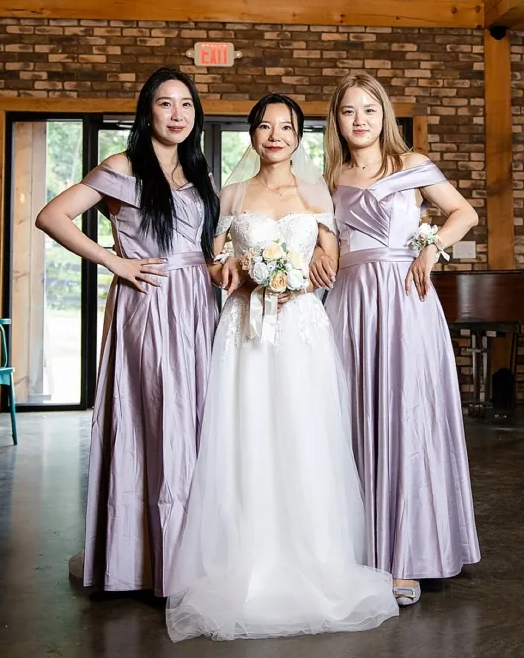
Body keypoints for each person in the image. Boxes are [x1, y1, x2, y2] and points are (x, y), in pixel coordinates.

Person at [166, 93, 398, 641]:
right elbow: (212, 258)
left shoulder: (317, 191)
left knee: (303, 433)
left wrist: (306, 269)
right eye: (266, 127)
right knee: (245, 434)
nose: (276, 136)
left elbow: (332, 260)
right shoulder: (230, 193)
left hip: (300, 330)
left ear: (298, 136)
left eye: (287, 127)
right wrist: (234, 269)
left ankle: (312, 555)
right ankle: (246, 556)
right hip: (244, 329)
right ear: (252, 134)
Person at [35, 68, 219, 596]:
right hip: (150, 303)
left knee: (198, 423)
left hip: (200, 305)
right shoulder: (122, 167)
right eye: (165, 103)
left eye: (186, 104)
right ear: (148, 111)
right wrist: (112, 260)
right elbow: (52, 216)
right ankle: (146, 562)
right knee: (154, 421)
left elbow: (206, 247)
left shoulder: (199, 170)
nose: (177, 114)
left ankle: (192, 556)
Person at [311, 72, 481, 606]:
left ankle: (407, 556)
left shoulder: (411, 165)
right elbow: (328, 243)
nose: (359, 120)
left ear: (384, 115)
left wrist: (431, 249)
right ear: (337, 121)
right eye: (348, 111)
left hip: (405, 298)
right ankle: (360, 554)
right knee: (352, 417)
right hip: (349, 303)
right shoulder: (329, 176)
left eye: (369, 109)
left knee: (407, 416)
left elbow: (465, 213)